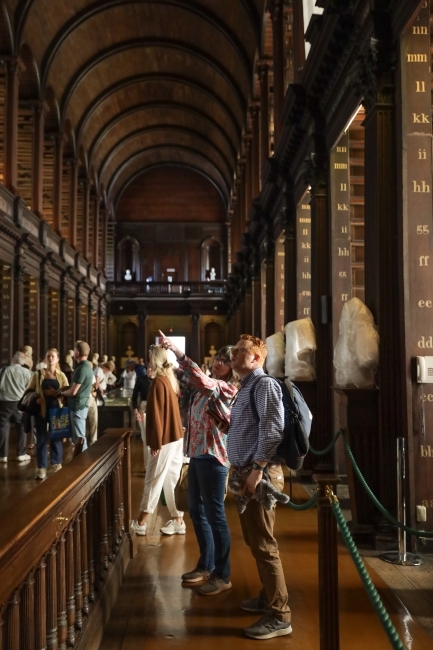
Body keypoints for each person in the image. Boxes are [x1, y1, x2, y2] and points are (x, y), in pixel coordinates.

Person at [160, 330, 239, 596]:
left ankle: (222, 572)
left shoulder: (228, 388)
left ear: (233, 368)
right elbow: (191, 383)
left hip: (215, 458)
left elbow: (201, 380)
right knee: (195, 509)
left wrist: (179, 353)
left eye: (225, 361)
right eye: (218, 358)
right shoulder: (209, 385)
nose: (218, 363)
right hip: (197, 454)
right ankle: (206, 564)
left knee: (215, 515)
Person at [227, 334, 292, 640]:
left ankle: (280, 616)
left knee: (265, 544)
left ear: (255, 359)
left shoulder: (263, 385)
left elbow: (273, 428)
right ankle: (268, 597)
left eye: (240, 351)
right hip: (246, 473)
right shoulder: (246, 387)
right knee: (255, 541)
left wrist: (257, 469)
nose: (233, 353)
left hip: (259, 475)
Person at [131, 344, 184, 537]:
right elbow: (164, 413)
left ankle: (141, 522)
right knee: (170, 480)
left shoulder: (158, 383)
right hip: (174, 437)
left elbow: (159, 417)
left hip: (164, 439)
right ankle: (178, 519)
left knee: (153, 478)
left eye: (149, 360)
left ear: (155, 361)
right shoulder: (169, 380)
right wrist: (145, 419)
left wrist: (155, 443)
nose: (147, 364)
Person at [27, 348, 69, 479]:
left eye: (53, 356)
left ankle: (56, 464)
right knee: (41, 438)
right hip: (41, 410)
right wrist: (36, 399)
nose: (50, 358)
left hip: (57, 410)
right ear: (45, 359)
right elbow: (28, 390)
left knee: (56, 437)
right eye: (48, 356)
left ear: (57, 359)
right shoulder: (38, 374)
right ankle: (41, 468)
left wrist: (56, 394)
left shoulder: (61, 375)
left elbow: (67, 392)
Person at [58, 341, 94, 452]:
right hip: (82, 404)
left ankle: (84, 464)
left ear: (77, 353)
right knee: (80, 437)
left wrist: (62, 393)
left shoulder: (81, 368)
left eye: (74, 350)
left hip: (78, 406)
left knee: (79, 438)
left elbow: (73, 391)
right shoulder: (87, 366)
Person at [0, 351, 32, 462]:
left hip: (4, 402)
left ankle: (3, 455)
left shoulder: (4, 370)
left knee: (3, 427)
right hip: (20, 402)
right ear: (23, 362)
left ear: (13, 359)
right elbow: (30, 388)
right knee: (22, 427)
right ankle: (21, 454)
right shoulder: (27, 372)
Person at [132, 364, 152, 470]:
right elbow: (134, 397)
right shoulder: (141, 380)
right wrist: (135, 410)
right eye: (148, 367)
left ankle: (153, 465)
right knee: (145, 438)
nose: (149, 369)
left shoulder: (159, 379)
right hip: (144, 408)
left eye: (152, 367)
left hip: (156, 408)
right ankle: (147, 465)